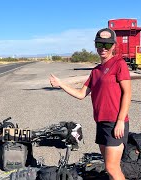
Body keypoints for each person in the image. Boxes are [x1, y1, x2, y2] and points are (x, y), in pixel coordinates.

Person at [49, 27, 131, 180]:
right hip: (101, 123)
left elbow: (127, 93)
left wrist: (121, 121)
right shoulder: (96, 71)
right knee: (110, 166)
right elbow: (81, 94)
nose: (103, 48)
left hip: (115, 123)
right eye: (99, 44)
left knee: (111, 167)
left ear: (113, 46)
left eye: (107, 45)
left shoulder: (119, 64)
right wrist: (61, 84)